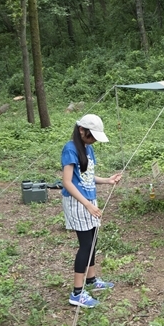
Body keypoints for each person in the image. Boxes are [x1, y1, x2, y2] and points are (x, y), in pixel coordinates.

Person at [61, 114, 122, 308]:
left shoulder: (88, 148)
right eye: (92, 135)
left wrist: (108, 180)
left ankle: (91, 280)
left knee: (93, 239)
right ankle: (77, 293)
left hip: (89, 200)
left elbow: (88, 176)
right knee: (86, 245)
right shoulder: (70, 149)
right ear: (81, 130)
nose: (94, 139)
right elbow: (68, 182)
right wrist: (87, 204)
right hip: (77, 201)